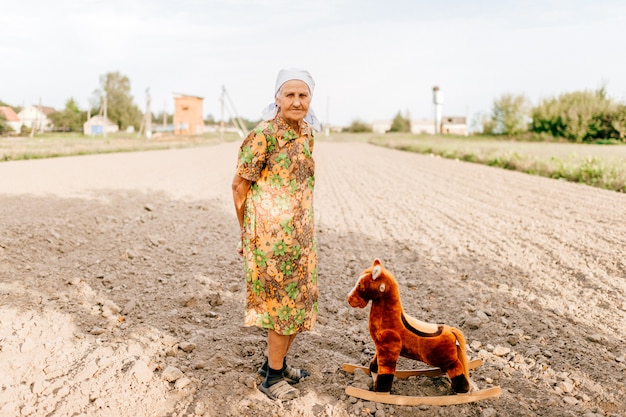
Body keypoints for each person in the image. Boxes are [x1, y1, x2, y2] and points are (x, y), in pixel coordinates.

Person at [231, 68, 321, 401]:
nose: (297, 101)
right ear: (277, 99)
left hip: (299, 237)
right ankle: (271, 379)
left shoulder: (308, 134)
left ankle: (276, 366)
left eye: (303, 95)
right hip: (269, 239)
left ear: (310, 100)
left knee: (299, 305)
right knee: (281, 308)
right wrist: (246, 233)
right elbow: (239, 185)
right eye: (290, 95)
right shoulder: (263, 136)